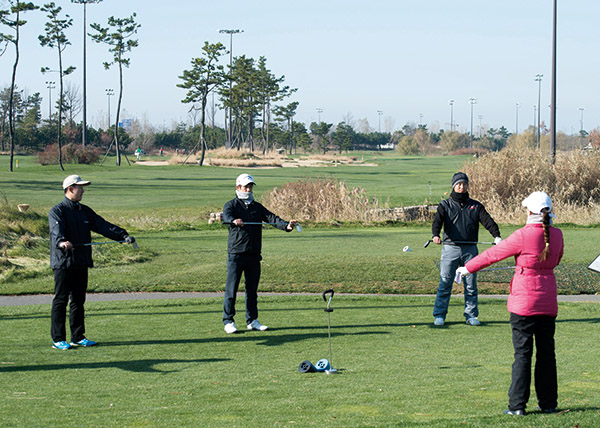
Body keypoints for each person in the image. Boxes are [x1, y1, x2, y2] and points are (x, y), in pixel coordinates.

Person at [456, 191, 563, 416]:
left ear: (530, 211)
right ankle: (548, 403)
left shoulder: (523, 235)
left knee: (522, 355)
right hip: (548, 302)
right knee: (547, 354)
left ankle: (517, 406)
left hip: (524, 304)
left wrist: (467, 268)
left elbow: (494, 254)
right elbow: (556, 258)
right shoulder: (558, 234)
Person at [49, 175, 136, 350]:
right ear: (70, 189)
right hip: (63, 262)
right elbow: (56, 232)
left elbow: (102, 225)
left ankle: (78, 336)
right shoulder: (57, 210)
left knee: (79, 300)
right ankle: (58, 339)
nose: (83, 190)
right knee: (61, 300)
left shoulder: (84, 211)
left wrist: (122, 235)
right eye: (80, 187)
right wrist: (62, 242)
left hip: (81, 261)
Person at [221, 173, 297, 334]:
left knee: (252, 290)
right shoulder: (231, 205)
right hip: (236, 254)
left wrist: (286, 226)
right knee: (231, 289)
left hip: (254, 254)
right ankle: (228, 321)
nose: (248, 189)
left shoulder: (257, 206)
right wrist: (234, 221)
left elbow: (272, 218)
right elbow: (226, 217)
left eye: (250, 187)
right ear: (238, 187)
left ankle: (252, 320)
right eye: (245, 187)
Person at [431, 172, 502, 326]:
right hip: (451, 247)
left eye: (464, 184)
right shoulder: (445, 205)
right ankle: (439, 315)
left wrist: (496, 236)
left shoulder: (475, 205)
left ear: (467, 186)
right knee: (446, 282)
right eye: (458, 184)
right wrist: (435, 235)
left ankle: (471, 315)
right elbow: (437, 221)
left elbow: (488, 221)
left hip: (470, 249)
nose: (461, 187)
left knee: (471, 284)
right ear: (453, 186)